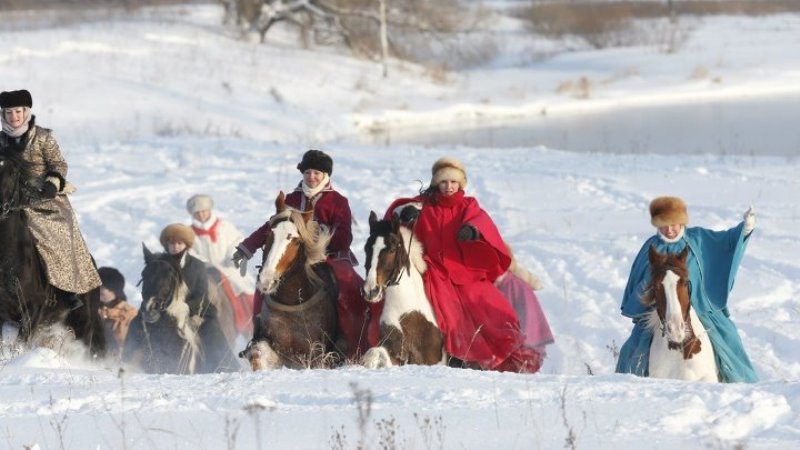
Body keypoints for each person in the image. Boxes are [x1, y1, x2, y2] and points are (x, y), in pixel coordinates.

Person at [385, 157, 541, 372]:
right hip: (433, 269)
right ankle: (452, 353)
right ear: (435, 183)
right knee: (443, 305)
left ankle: (495, 357)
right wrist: (403, 213)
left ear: (461, 184)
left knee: (486, 301)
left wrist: (474, 231)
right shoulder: (424, 204)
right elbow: (397, 212)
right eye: (444, 182)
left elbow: (480, 220)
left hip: (463, 268)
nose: (449, 187)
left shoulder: (468, 205)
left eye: (453, 182)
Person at [234, 149, 381, 359]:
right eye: (308, 173)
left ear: (326, 176)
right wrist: (246, 248)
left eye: (317, 173)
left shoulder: (338, 201)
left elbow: (344, 236)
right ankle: (258, 335)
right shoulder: (292, 199)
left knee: (347, 286)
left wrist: (318, 236)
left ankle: (348, 339)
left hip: (330, 256)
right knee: (263, 282)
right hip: (295, 256)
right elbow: (272, 228)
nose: (312, 177)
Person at [615, 196, 758, 383]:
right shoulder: (651, 247)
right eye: (664, 225)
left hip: (701, 308)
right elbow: (640, 279)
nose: (669, 229)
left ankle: (741, 384)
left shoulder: (697, 239)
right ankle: (628, 387)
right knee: (632, 349)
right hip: (661, 312)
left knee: (729, 340)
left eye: (673, 224)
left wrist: (745, 229)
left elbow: (726, 244)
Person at [0, 89, 100, 310]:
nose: (14, 117)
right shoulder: (1, 140)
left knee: (58, 235)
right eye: (9, 113)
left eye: (18, 112)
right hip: (8, 201)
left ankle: (67, 290)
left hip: (43, 200)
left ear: (25, 112)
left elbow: (59, 165)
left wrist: (51, 183)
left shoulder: (43, 137)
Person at [160, 223, 237, 372]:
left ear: (186, 245)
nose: (175, 247)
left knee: (212, 330)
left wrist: (186, 309)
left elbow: (201, 294)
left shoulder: (197, 265)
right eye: (172, 243)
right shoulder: (159, 265)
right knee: (139, 325)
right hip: (165, 311)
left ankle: (223, 366)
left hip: (196, 311)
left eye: (179, 243)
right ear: (166, 245)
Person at [186, 194, 254, 335]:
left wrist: (233, 256)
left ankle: (251, 325)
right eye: (197, 213)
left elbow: (236, 241)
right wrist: (200, 264)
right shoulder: (189, 233)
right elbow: (189, 252)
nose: (201, 215)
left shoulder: (224, 226)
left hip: (228, 268)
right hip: (204, 273)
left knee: (245, 293)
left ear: (210, 210)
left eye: (204, 211)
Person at [97, 266, 138, 358]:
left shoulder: (130, 314)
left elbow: (135, 343)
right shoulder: (92, 310)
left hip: (120, 362)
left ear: (113, 289)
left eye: (102, 286)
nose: (98, 289)